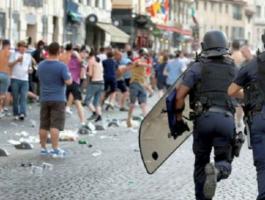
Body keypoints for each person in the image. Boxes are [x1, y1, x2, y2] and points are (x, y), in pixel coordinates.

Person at [175, 31, 237, 200]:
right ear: (226, 46)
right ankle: (217, 171)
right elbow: (242, 96)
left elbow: (179, 95)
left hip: (203, 121)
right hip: (225, 120)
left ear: (203, 47)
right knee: (224, 160)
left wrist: (179, 119)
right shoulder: (233, 68)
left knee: (200, 164)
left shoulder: (197, 67)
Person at [228, 32, 265, 200]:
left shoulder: (252, 65)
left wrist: (250, 95)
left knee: (263, 165)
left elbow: (231, 91)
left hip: (259, 118)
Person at [37, 42, 72, 157]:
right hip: (58, 98)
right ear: (58, 52)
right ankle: (55, 148)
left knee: (43, 125)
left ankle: (43, 148)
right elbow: (68, 81)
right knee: (55, 125)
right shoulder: (62, 66)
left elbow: (39, 78)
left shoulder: (41, 65)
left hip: (44, 98)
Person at [59, 43, 86, 127]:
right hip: (74, 82)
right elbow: (82, 75)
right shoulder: (79, 60)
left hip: (66, 81)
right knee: (78, 102)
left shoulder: (65, 57)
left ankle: (60, 119)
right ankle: (82, 122)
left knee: (62, 101)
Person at [127, 48, 151, 127]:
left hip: (142, 85)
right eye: (145, 57)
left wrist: (149, 88)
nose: (146, 59)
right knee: (132, 104)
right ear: (142, 56)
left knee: (143, 104)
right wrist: (147, 65)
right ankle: (128, 119)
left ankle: (147, 121)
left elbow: (144, 78)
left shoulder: (144, 65)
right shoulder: (137, 61)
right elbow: (139, 64)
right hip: (134, 84)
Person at [9, 41, 32, 120]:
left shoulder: (28, 56)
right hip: (15, 78)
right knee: (15, 97)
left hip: (25, 79)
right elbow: (9, 65)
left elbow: (30, 67)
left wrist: (30, 70)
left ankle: (22, 113)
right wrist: (17, 61)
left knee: (23, 96)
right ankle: (16, 113)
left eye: (24, 47)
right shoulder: (14, 55)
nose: (23, 48)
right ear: (18, 47)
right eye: (21, 46)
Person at [85, 54, 104, 122]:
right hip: (101, 82)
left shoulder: (91, 61)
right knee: (96, 102)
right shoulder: (99, 61)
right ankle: (99, 116)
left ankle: (94, 113)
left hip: (94, 83)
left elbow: (90, 74)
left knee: (87, 100)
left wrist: (85, 71)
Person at [0, 39, 11, 118]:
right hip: (5, 74)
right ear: (8, 45)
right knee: (2, 94)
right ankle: (0, 110)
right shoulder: (9, 53)